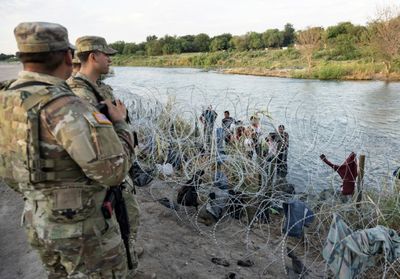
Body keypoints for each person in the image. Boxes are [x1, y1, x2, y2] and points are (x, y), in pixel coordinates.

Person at [0, 22, 134, 278]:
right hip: (79, 228)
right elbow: (113, 171)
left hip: (36, 218)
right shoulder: (65, 106)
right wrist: (120, 124)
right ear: (66, 56)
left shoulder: (7, 97)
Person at [67, 36, 144, 275]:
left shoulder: (98, 88)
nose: (110, 59)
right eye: (106, 54)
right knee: (119, 229)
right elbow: (95, 146)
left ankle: (129, 258)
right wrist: (121, 122)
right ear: (92, 57)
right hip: (107, 178)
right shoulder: (81, 96)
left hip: (118, 171)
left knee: (129, 223)